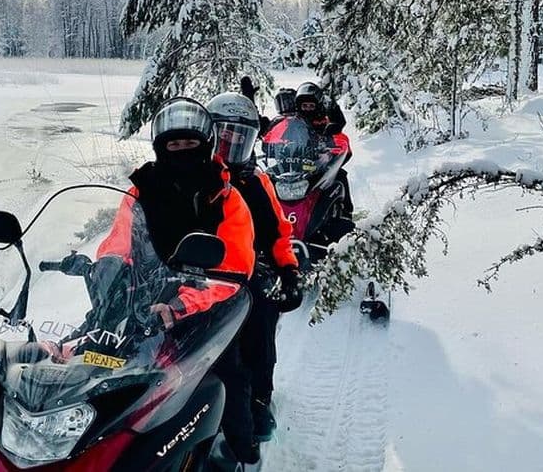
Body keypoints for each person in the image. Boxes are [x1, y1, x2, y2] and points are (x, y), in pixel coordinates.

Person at [95, 97, 260, 464]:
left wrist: (182, 303)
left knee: (228, 374)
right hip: (144, 300)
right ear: (160, 147)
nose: (182, 151)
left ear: (205, 145)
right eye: (174, 144)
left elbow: (232, 269)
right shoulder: (141, 190)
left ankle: (240, 446)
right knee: (92, 356)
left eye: (190, 144)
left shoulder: (226, 198)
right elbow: (120, 238)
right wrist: (106, 272)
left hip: (207, 306)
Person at [208, 91, 303, 443]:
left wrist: (289, 271)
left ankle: (259, 399)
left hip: (247, 280)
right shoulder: (197, 177)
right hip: (193, 279)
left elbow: (279, 233)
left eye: (240, 135)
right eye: (224, 133)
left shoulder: (256, 182)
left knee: (260, 327)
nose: (231, 142)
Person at [294, 81, 354, 216]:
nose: (308, 109)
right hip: (295, 166)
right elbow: (275, 136)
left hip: (320, 168)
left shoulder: (325, 123)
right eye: (305, 106)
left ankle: (345, 212)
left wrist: (333, 147)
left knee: (340, 176)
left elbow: (343, 144)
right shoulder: (293, 124)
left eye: (311, 106)